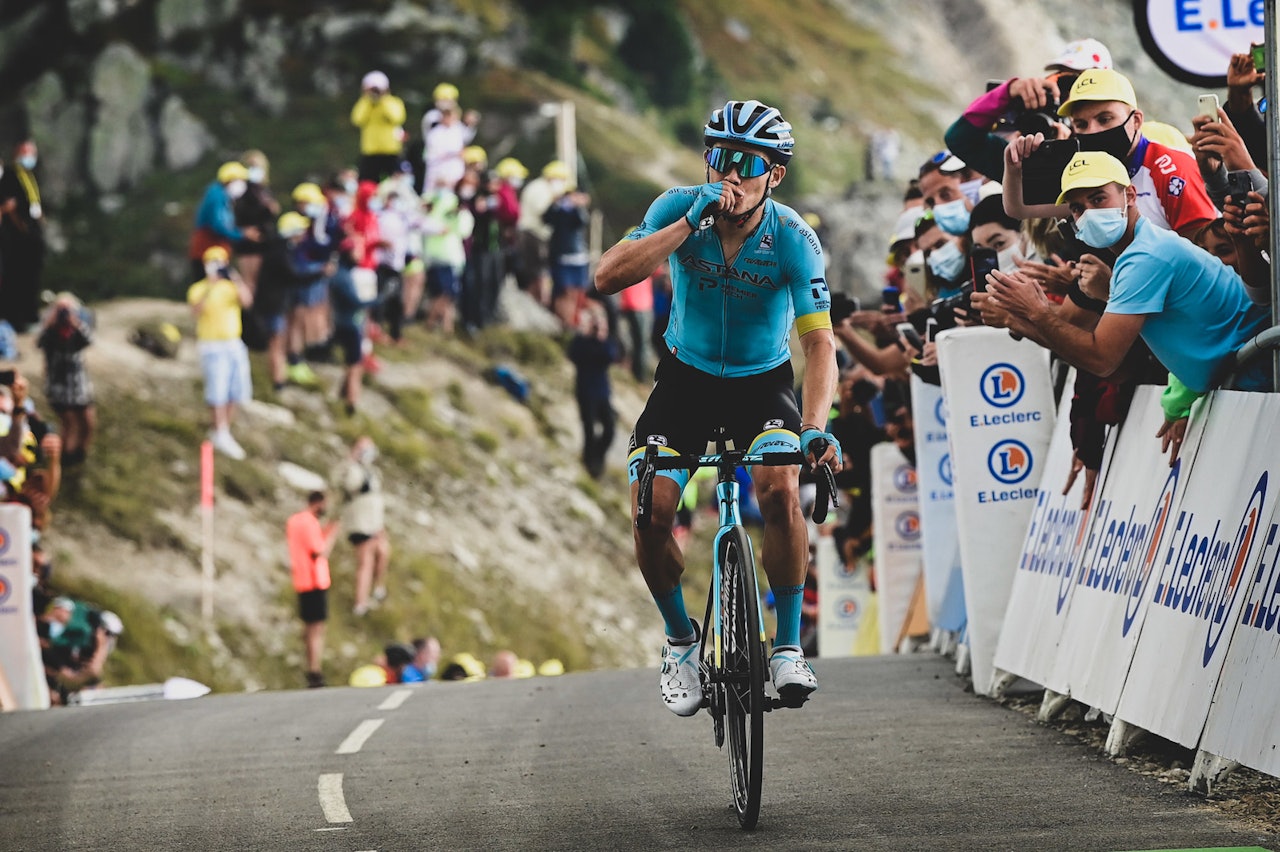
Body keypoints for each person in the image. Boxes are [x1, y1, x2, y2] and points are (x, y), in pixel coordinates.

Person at [594, 99, 842, 715]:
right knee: (649, 511)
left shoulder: (793, 240)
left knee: (782, 489)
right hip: (686, 381)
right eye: (717, 158)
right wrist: (687, 226)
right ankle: (681, 642)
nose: (727, 175)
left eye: (745, 163)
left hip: (763, 386)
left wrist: (814, 427)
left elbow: (818, 344)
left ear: (774, 174)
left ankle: (786, 646)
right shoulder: (678, 206)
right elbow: (607, 276)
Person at [979, 151, 1271, 465]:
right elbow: (1114, 363)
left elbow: (1102, 358)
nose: (1088, 213)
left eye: (1098, 198)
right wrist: (1020, 319)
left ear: (1130, 194)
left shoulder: (1145, 257)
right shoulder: (1137, 254)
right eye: (1077, 208)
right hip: (1246, 379)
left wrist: (1036, 311)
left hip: (1261, 377)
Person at [187, 246, 254, 460]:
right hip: (212, 346)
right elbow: (195, 311)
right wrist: (210, 286)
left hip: (233, 343)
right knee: (218, 389)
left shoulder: (230, 286)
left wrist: (234, 277)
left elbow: (247, 301)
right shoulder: (199, 288)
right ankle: (219, 430)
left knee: (235, 389)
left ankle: (223, 429)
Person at [286, 490, 339, 688]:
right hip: (315, 581)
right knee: (316, 629)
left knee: (310, 627)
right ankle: (314, 671)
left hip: (302, 579)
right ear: (318, 503)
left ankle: (313, 669)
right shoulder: (308, 522)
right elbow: (320, 552)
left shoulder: (295, 521)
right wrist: (333, 534)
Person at [35, 293, 94, 466]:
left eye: (67, 310)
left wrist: (75, 322)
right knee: (69, 423)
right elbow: (39, 342)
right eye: (60, 310)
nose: (63, 314)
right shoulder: (49, 332)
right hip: (59, 387)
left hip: (79, 385)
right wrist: (50, 323)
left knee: (87, 421)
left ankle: (80, 454)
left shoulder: (76, 330)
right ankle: (64, 460)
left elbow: (89, 340)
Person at [334, 435, 390, 616]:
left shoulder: (371, 471)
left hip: (375, 522)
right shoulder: (352, 469)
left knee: (383, 552)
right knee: (365, 562)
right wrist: (351, 459)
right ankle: (360, 603)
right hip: (360, 523)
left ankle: (377, 587)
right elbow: (344, 484)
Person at [567, 302, 620, 478]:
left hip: (602, 391)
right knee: (588, 429)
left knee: (610, 429)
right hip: (585, 390)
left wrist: (601, 335)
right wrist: (584, 333)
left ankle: (597, 457)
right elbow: (574, 355)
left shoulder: (606, 341)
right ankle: (589, 464)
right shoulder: (582, 341)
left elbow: (610, 355)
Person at [187, 161, 259, 285]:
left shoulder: (221, 195)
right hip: (208, 249)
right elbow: (219, 226)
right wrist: (243, 234)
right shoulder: (217, 196)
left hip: (215, 249)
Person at [0, 139, 46, 330]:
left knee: (32, 276)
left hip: (32, 232)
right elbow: (8, 206)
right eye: (26, 152)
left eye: (32, 152)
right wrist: (21, 225)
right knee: (16, 277)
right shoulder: (10, 175)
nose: (29, 157)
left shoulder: (30, 174)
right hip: (17, 236)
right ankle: (16, 319)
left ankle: (30, 315)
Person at [350, 71, 407, 183]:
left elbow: (397, 117)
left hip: (391, 151)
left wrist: (383, 100)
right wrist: (367, 100)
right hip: (370, 152)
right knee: (367, 184)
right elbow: (357, 119)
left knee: (394, 184)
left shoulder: (393, 102)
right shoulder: (364, 103)